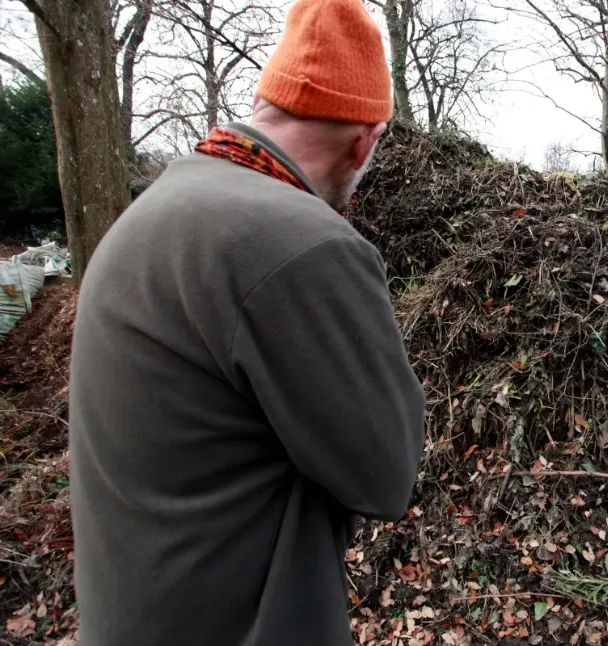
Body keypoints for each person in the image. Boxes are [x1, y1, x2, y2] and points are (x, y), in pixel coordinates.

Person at [68, 1, 426, 644]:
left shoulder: (153, 211)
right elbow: (386, 471)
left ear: (267, 104)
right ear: (365, 139)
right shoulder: (299, 243)